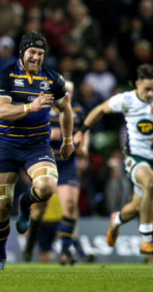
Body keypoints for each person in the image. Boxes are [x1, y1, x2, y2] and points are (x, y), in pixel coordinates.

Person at [75, 64, 153, 257]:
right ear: (137, 84)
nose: (151, 93)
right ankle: (146, 240)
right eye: (147, 89)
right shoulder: (126, 99)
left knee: (136, 207)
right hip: (134, 156)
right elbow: (100, 110)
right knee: (151, 182)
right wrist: (81, 131)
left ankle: (116, 221)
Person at [0, 31, 74, 270]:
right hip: (6, 145)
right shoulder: (6, 75)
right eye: (32, 52)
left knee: (47, 187)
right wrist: (29, 107)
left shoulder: (52, 78)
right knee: (1, 206)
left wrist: (67, 140)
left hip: (37, 146)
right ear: (22, 52)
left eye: (40, 53)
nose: (36, 57)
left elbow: (66, 108)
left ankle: (26, 203)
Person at [22, 80, 93, 265]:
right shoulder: (42, 106)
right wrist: (48, 133)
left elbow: (84, 131)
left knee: (70, 205)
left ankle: (65, 251)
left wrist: (84, 148)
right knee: (39, 210)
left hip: (68, 162)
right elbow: (28, 131)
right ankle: (31, 242)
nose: (65, 95)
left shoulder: (77, 109)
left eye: (69, 91)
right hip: (45, 160)